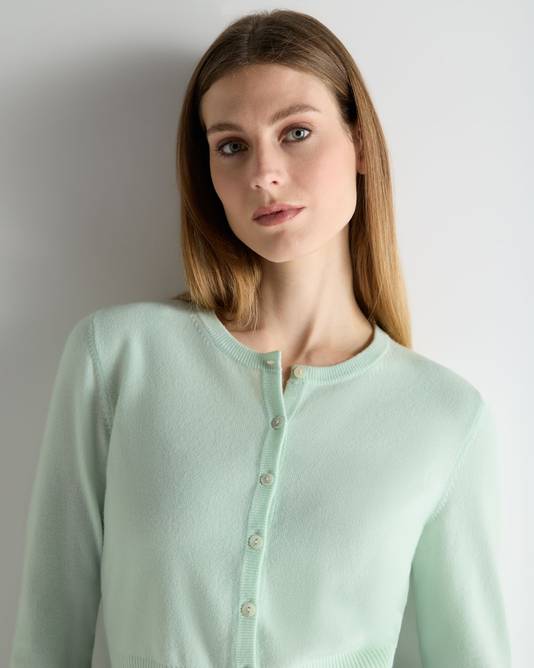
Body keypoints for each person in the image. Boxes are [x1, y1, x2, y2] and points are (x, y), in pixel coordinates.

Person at [10, 9, 512, 668]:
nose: (264, 174)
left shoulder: (445, 418)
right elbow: (46, 642)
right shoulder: (118, 359)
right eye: (231, 146)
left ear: (360, 143)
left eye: (296, 132)